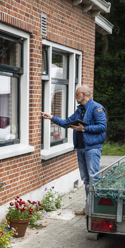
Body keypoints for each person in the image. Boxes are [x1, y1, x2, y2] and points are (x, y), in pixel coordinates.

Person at [41, 86, 107, 215]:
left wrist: (83, 129)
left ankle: (96, 209)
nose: (75, 97)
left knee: (94, 178)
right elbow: (66, 122)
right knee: (86, 179)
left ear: (83, 94)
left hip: (92, 148)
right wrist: (51, 117)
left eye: (77, 95)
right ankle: (88, 208)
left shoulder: (96, 108)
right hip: (81, 148)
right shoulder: (80, 110)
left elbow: (102, 127)